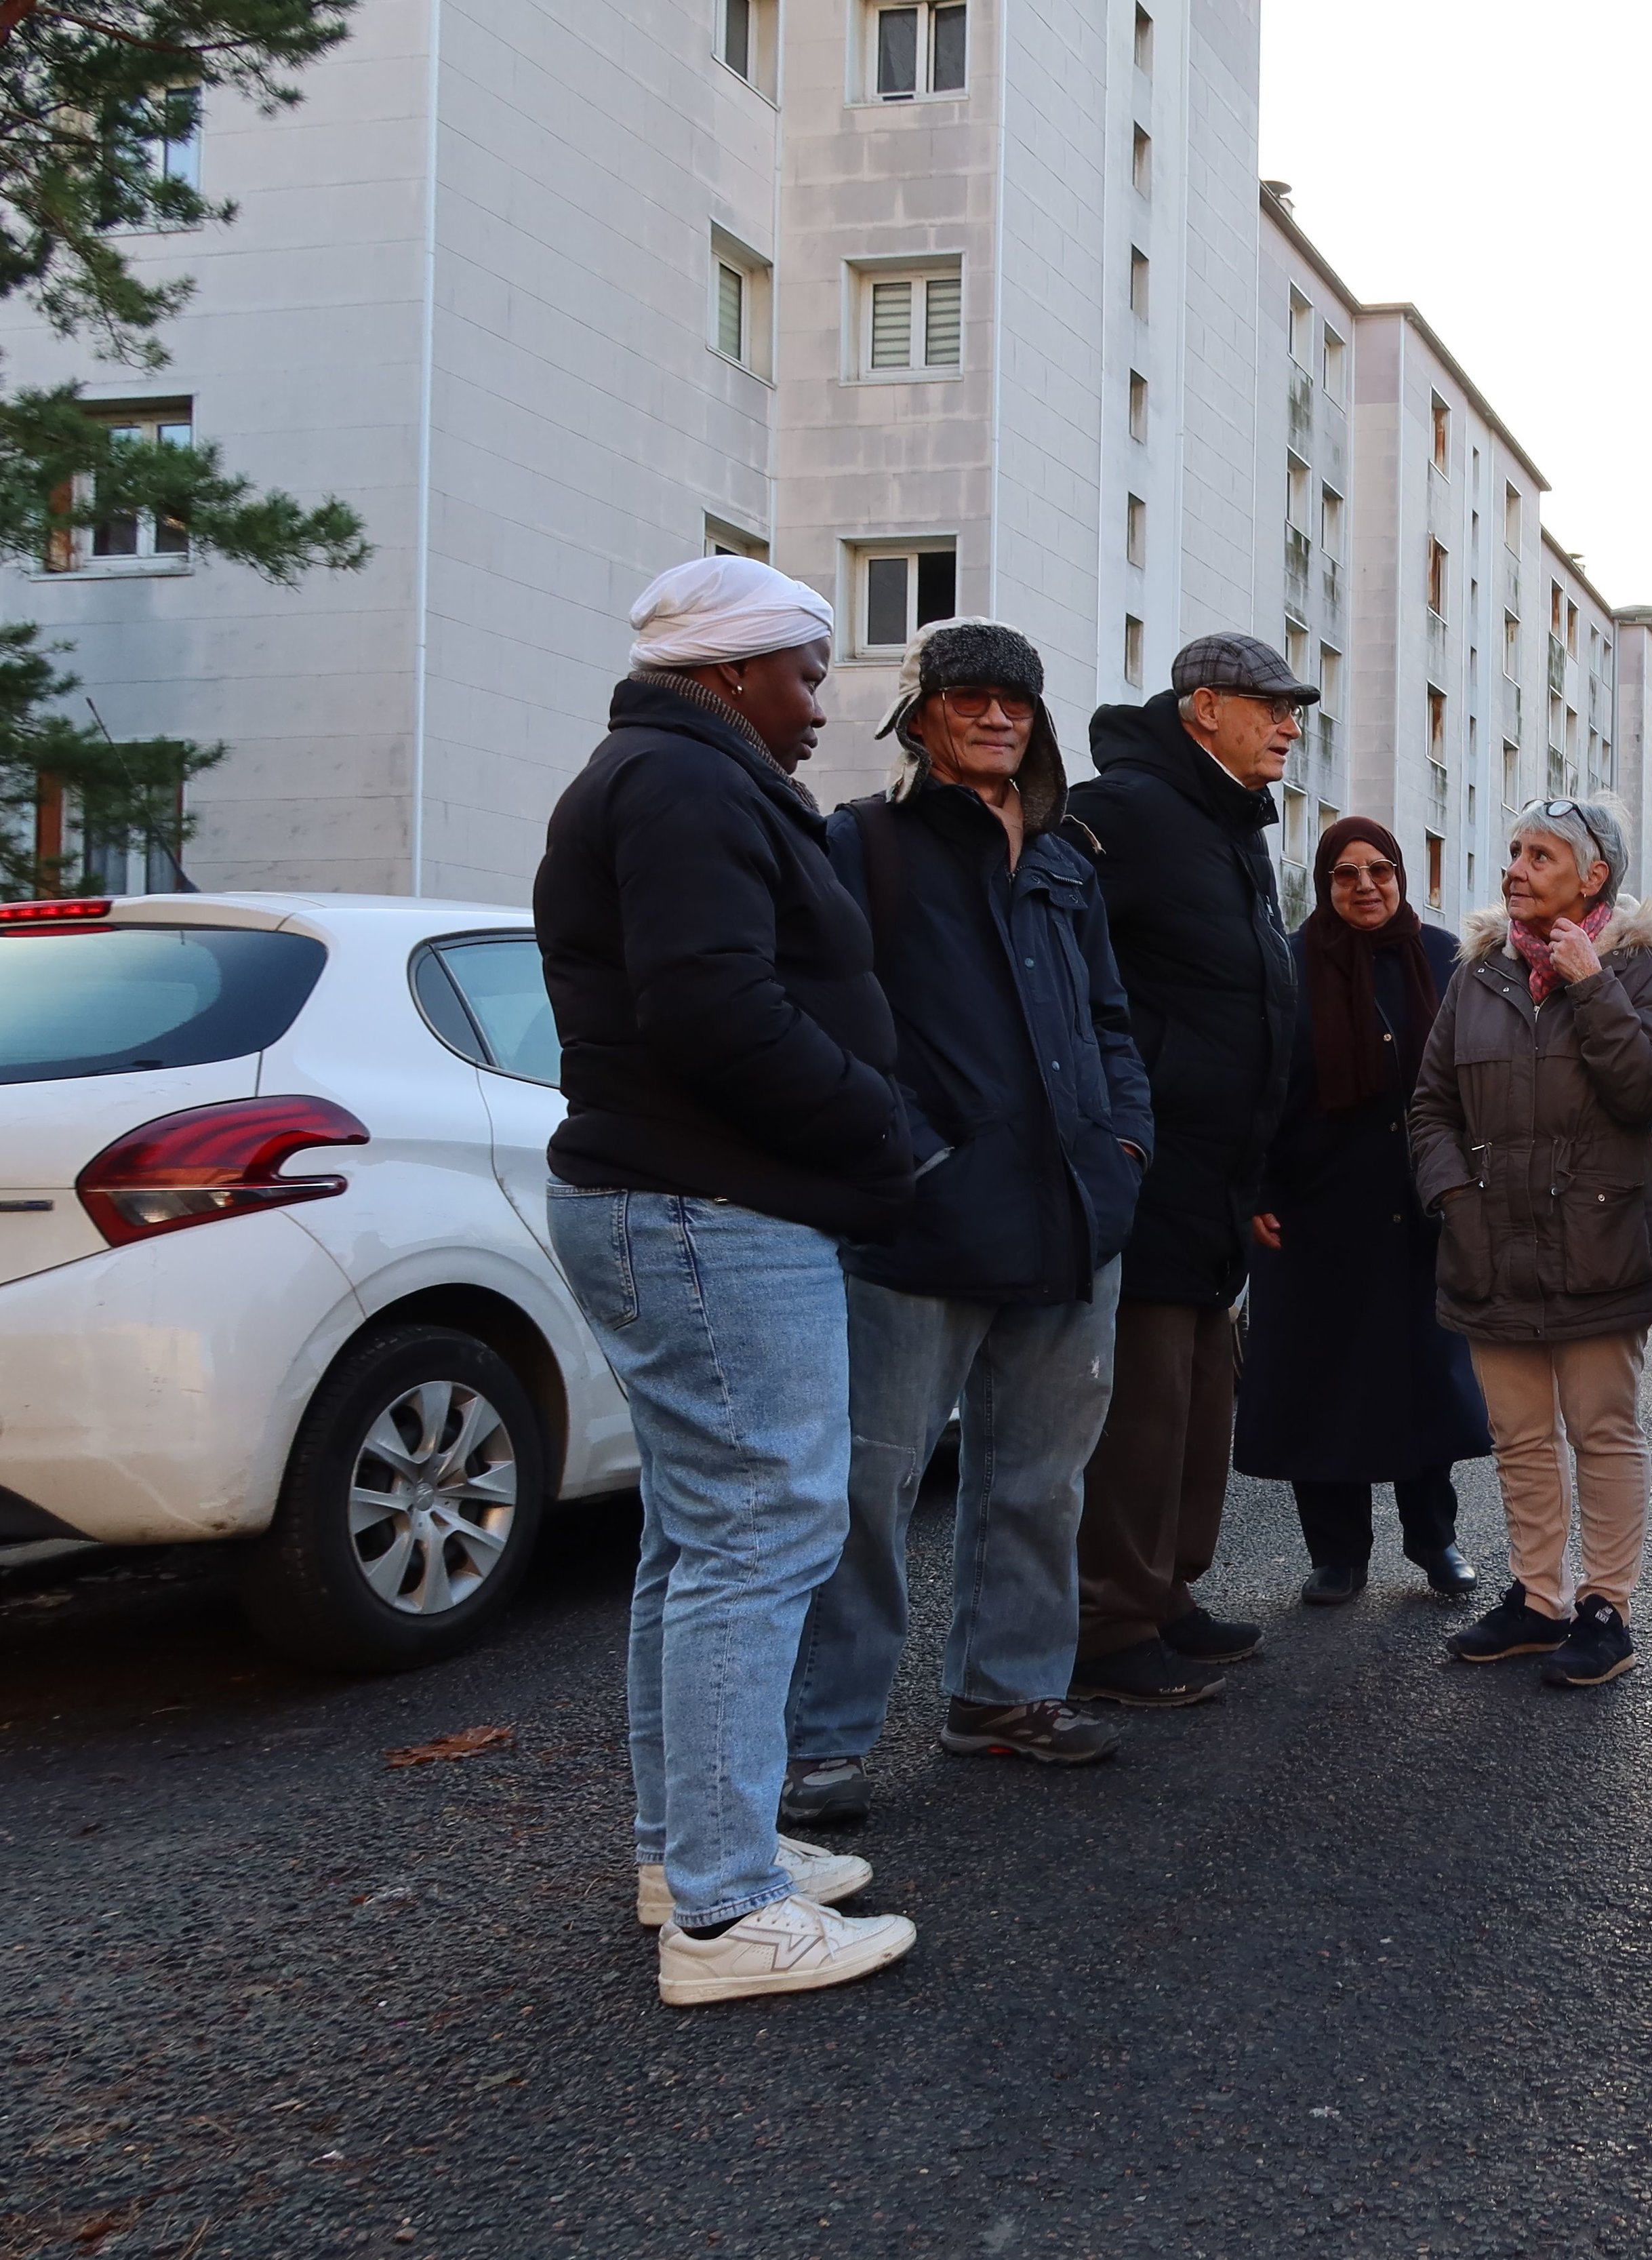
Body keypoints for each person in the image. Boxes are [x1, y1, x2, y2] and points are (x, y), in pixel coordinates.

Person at [536, 555, 923, 2004]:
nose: (822, 703)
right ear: (727, 671)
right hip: (711, 1207)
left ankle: (690, 1849)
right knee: (760, 1532)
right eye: (804, 672)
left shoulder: (665, 773)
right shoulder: (687, 783)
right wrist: (875, 1117)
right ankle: (724, 1908)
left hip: (685, 1198)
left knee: (701, 1540)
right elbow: (714, 1008)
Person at [774, 618, 1157, 1831]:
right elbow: (820, 1021)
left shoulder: (1065, 860)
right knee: (866, 1492)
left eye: (1017, 702)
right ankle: (822, 1744)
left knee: (1039, 1483)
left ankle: (1005, 1695)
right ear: (922, 715)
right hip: (919, 1224)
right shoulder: (862, 845)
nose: (997, 717)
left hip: (1068, 1219)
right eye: (971, 698)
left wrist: (1125, 1148)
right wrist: (908, 1152)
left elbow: (1110, 1021)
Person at [1059, 633, 1312, 1707]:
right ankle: (1110, 1625)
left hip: (1219, 1172)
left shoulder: (1232, 829)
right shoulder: (1124, 811)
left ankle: (1168, 1593)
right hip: (1153, 1165)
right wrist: (1117, 1128)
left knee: (1205, 1404)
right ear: (1205, 708)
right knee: (1145, 1411)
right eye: (1272, 706)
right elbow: (1068, 979)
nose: (1292, 724)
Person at [1409, 798, 1652, 1688]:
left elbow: (1648, 1087)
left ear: (1593, 875)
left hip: (1599, 1236)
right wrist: (1454, 1196)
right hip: (1491, 1240)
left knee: (1602, 1429)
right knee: (1520, 1434)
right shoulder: (1478, 970)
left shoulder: (1643, 960)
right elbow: (1431, 1105)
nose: (1516, 869)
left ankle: (1606, 1606)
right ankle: (1540, 1599)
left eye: (1540, 855)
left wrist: (1589, 983)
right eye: (1515, 851)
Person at [1238, 816, 1493, 1605]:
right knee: (1323, 1387)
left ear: (1400, 876)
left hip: (1418, 1211)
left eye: (1379, 870)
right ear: (1324, 885)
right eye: (1344, 875)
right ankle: (1337, 1554)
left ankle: (1434, 1541)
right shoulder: (1285, 962)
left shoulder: (1447, 959)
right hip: (1314, 1209)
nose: (1364, 887)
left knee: (1422, 1381)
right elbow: (1253, 1087)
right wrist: (1256, 1190)